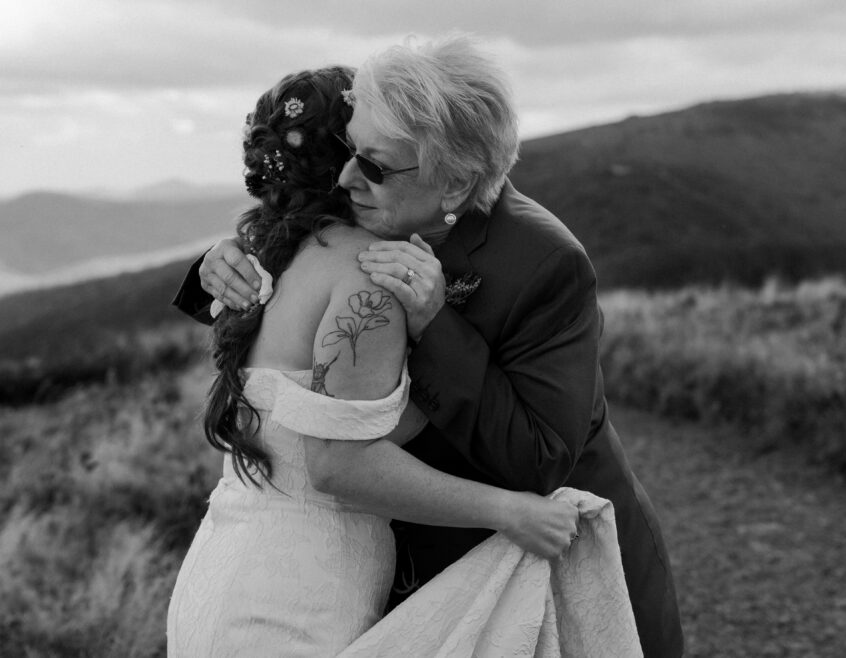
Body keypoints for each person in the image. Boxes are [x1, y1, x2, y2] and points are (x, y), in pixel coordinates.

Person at [175, 35, 683, 657]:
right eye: (348, 151)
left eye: (374, 164)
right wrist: (215, 270)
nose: (345, 177)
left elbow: (541, 456)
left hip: (548, 572)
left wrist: (437, 324)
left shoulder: (543, 262)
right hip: (402, 575)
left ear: (453, 184)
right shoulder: (369, 216)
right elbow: (299, 313)